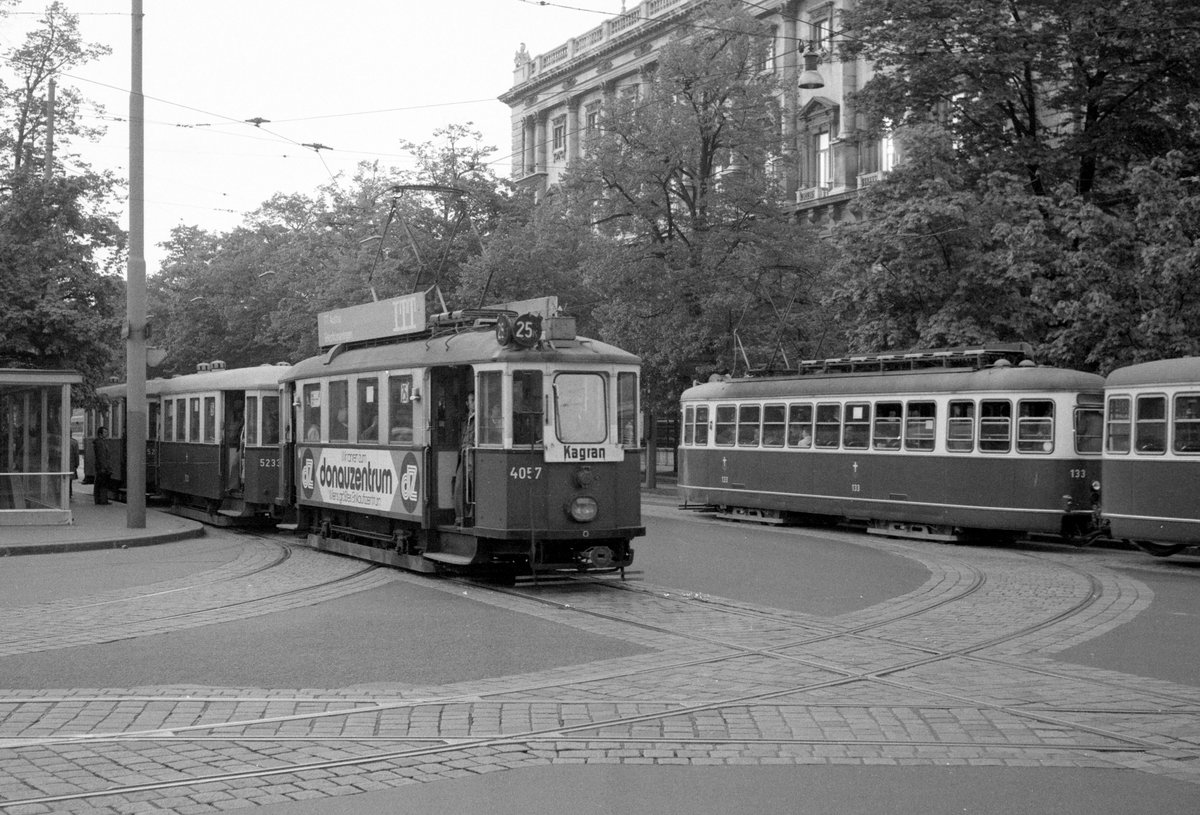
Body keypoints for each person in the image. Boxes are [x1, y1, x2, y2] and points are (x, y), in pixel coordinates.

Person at [454, 392, 475, 526]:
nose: (474, 403)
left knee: (474, 486)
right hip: (464, 454)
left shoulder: (480, 418)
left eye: (475, 400)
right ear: (467, 404)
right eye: (471, 400)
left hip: (473, 455)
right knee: (459, 486)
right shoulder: (465, 420)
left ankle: (472, 515)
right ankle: (460, 517)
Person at [93, 426, 113, 505]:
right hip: (102, 467)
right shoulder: (100, 443)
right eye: (105, 432)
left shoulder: (101, 442)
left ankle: (100, 500)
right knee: (103, 483)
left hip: (101, 466)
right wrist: (105, 467)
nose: (107, 433)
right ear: (100, 434)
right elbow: (102, 456)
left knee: (99, 483)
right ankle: (102, 500)